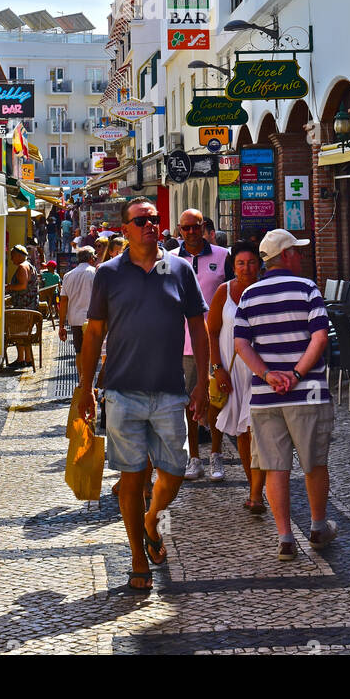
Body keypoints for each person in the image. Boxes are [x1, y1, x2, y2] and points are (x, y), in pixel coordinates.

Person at [78, 196, 209, 594]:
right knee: (132, 478)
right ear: (126, 229)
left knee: (174, 471)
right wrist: (85, 389)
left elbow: (199, 331)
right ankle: (138, 557)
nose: (151, 225)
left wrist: (204, 380)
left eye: (154, 219)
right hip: (122, 391)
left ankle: (153, 519)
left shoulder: (181, 270)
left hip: (170, 389)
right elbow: (94, 333)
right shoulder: (109, 274)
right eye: (142, 220)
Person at [233, 229, 336, 560]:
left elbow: (241, 344)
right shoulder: (307, 289)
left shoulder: (249, 296)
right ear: (287, 256)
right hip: (306, 393)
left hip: (266, 396)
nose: (301, 257)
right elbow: (319, 338)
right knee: (314, 463)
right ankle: (318, 527)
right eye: (297, 252)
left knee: (275, 467)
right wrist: (295, 375)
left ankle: (285, 537)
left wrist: (267, 374)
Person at [207, 240, 266, 513]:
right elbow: (213, 331)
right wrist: (217, 367)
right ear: (233, 265)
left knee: (259, 429)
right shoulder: (224, 291)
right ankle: (253, 485)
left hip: (262, 368)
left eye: (251, 262)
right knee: (243, 432)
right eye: (241, 263)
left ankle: (257, 492)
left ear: (260, 263)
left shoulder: (267, 289)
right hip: (232, 370)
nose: (246, 268)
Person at [177, 208, 233, 480]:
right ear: (179, 230)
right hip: (184, 343)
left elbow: (235, 294)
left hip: (217, 340)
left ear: (205, 228)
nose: (191, 232)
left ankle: (216, 455)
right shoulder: (171, 261)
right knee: (189, 402)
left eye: (195, 227)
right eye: (186, 228)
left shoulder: (223, 257)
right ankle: (194, 457)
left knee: (216, 400)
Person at [59, 246, 96, 373]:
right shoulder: (95, 273)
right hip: (93, 319)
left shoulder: (68, 276)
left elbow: (63, 301)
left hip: (75, 319)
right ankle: (88, 383)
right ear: (91, 258)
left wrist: (61, 325)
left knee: (79, 351)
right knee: (92, 351)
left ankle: (82, 381)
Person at [7, 246, 39, 311]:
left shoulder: (22, 267)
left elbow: (23, 286)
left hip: (24, 306)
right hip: (31, 304)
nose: (11, 259)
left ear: (19, 256)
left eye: (12, 256)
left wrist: (9, 287)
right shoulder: (28, 265)